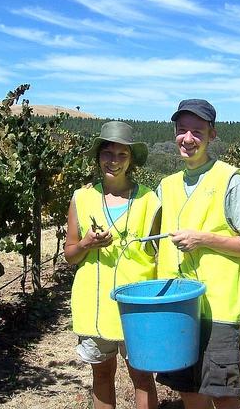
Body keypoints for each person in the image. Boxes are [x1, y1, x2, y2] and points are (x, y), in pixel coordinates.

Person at [155, 99, 240, 409]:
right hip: (177, 307)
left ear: (212, 135)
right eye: (182, 130)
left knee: (224, 394)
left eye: (197, 131)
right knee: (189, 392)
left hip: (217, 310)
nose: (188, 139)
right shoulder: (166, 186)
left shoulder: (230, 181)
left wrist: (203, 239)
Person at [64, 121, 160, 409]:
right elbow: (70, 254)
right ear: (98, 156)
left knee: (142, 375)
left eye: (122, 155)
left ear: (131, 160)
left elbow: (160, 254)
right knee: (102, 374)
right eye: (108, 153)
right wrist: (85, 245)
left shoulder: (149, 200)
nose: (113, 161)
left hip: (136, 306)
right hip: (94, 305)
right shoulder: (81, 198)